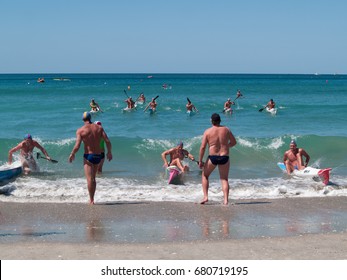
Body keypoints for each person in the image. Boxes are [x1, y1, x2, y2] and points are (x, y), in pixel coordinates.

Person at [69, 112, 112, 204]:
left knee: (89, 179)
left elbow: (77, 146)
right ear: (90, 118)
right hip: (98, 156)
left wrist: (72, 154)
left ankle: (91, 200)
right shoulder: (99, 128)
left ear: (83, 120)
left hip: (88, 156)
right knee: (93, 178)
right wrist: (109, 152)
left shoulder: (81, 130)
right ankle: (93, 198)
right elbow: (107, 141)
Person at [198, 113, 237, 205]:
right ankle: (226, 200)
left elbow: (203, 147)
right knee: (224, 179)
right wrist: (226, 146)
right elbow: (234, 142)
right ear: (220, 120)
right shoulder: (226, 129)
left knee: (205, 175)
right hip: (224, 157)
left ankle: (205, 197)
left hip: (213, 157)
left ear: (211, 121)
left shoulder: (208, 131)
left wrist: (200, 160)